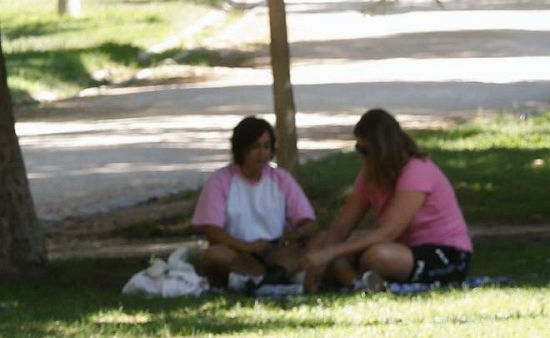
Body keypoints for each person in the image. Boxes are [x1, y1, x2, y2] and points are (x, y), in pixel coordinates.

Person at [300, 109, 472, 292]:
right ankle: (359, 283)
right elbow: (341, 227)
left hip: (444, 253)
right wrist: (318, 262)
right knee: (320, 243)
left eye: (364, 150)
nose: (361, 156)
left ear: (382, 149)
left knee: (376, 256)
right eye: (358, 148)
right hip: (401, 249)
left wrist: (330, 253)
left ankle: (357, 281)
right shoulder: (369, 176)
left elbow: (388, 232)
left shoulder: (417, 170)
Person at [191, 116, 318, 290]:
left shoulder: (281, 179)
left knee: (321, 241)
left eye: (266, 146)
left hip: (276, 251)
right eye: (255, 147)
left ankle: (271, 277)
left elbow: (310, 223)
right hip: (238, 250)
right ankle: (271, 278)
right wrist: (247, 247)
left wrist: (296, 234)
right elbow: (213, 232)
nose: (262, 153)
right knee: (215, 255)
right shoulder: (220, 180)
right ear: (241, 149)